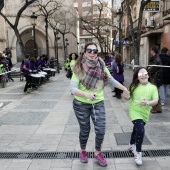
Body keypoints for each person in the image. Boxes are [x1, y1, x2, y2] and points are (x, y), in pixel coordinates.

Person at [70, 43, 130, 167]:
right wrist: (85, 95)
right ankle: (83, 151)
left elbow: (111, 80)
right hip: (81, 103)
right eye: (89, 50)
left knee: (101, 130)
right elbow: (73, 89)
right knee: (85, 129)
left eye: (95, 51)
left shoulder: (101, 65)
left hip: (98, 102)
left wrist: (124, 88)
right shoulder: (78, 67)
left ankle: (97, 152)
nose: (92, 53)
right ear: (84, 52)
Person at [125, 67, 158, 165]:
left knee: (136, 128)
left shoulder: (153, 87)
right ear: (137, 77)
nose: (143, 76)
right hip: (134, 111)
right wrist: (125, 96)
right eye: (140, 75)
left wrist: (147, 103)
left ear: (148, 75)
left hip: (145, 113)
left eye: (145, 74)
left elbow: (156, 101)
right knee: (140, 130)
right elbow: (127, 97)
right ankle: (138, 153)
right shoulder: (134, 86)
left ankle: (131, 144)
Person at [148, 46, 162, 113]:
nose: (150, 52)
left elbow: (152, 68)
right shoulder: (154, 58)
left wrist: (148, 70)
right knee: (155, 93)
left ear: (153, 51)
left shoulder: (157, 59)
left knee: (155, 93)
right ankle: (157, 108)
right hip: (154, 78)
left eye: (151, 50)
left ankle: (156, 108)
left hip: (156, 78)